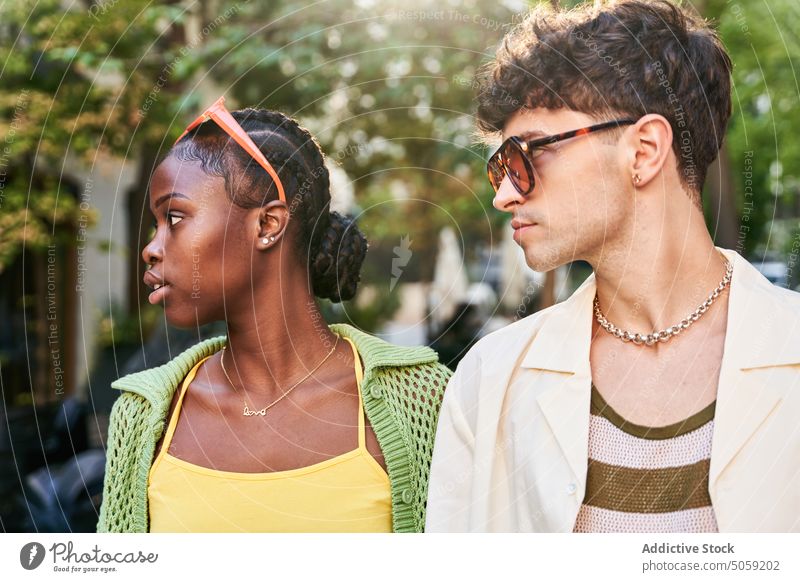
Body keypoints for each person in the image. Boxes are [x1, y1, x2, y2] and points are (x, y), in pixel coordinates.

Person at [425, 0, 800, 532]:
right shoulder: (489, 380)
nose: (505, 193)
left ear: (644, 150)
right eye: (500, 167)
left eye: (528, 154)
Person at [96, 96, 451, 533]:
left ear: (267, 225)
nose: (151, 248)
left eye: (174, 217)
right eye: (155, 224)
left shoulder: (421, 401)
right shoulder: (145, 416)